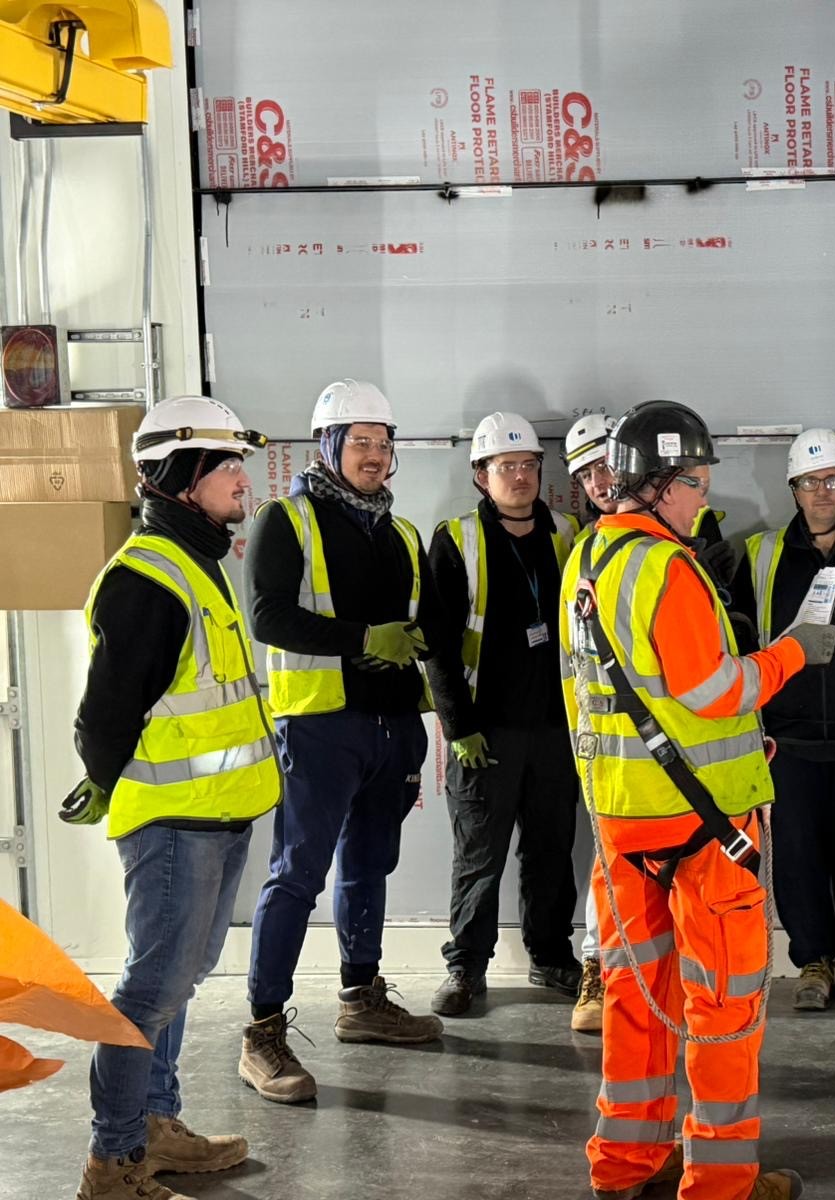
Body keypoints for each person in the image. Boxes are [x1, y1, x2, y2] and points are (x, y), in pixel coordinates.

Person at [560, 400, 835, 1200]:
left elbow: (602, 696)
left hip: (621, 825)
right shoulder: (668, 567)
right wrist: (791, 654)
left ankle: (624, 1164)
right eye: (697, 484)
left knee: (636, 998)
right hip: (707, 830)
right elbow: (713, 688)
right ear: (662, 485)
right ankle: (719, 1182)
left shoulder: (585, 562)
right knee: (724, 1006)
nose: (702, 501)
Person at [69, 396, 279, 1200]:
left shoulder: (197, 563)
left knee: (176, 985)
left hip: (217, 818)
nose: (242, 480)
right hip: (173, 827)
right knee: (149, 992)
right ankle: (113, 1160)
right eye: (226, 466)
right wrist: (104, 775)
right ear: (183, 479)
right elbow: (106, 715)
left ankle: (154, 1123)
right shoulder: (149, 578)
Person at [239, 378, 447, 1103]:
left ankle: (361, 1000)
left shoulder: (404, 534)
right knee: (298, 873)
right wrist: (362, 638)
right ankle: (262, 1030)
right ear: (328, 447)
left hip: (390, 728)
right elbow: (266, 616)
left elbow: (415, 637)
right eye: (359, 442)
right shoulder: (284, 519)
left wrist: (422, 722)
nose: (374, 455)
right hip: (320, 726)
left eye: (383, 444)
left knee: (368, 866)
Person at [426, 412, 584, 1016]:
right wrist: (458, 726)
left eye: (528, 466)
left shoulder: (567, 533)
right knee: (479, 854)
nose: (519, 477)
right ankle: (466, 967)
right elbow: (436, 643)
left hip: (554, 728)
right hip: (484, 732)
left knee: (551, 848)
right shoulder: (458, 538)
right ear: (480, 475)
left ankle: (551, 956)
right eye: (505, 467)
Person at [734, 429, 835, 1012]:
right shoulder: (761, 553)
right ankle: (813, 963)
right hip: (788, 740)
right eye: (810, 482)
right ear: (793, 490)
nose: (823, 492)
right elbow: (742, 641)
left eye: (833, 480)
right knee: (797, 858)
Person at [564, 411, 618, 1033]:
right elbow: (570, 661)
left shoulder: (688, 533)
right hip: (608, 742)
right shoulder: (581, 551)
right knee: (610, 859)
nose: (600, 481)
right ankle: (597, 968)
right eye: (586, 474)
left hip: (683, 741)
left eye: (606, 464)